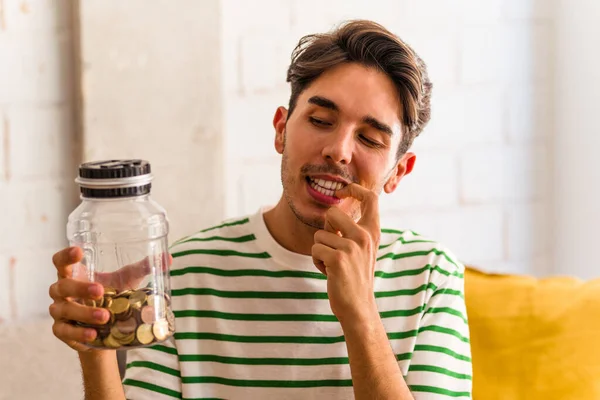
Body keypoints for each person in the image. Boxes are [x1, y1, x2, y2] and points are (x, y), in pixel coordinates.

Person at [49, 20, 472, 399]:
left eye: (370, 138)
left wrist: (360, 312)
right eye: (321, 120)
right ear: (281, 130)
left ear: (398, 172)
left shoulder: (431, 276)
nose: (338, 151)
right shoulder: (187, 271)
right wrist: (96, 347)